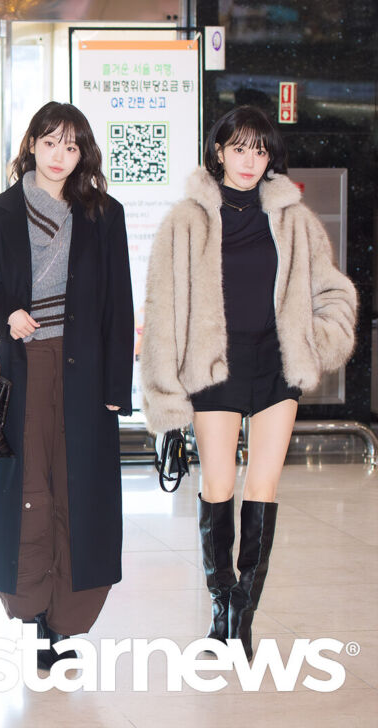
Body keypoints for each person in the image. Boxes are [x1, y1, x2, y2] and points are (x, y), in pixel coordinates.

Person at [141, 105, 357, 660]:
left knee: (264, 487)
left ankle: (244, 616)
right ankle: (221, 608)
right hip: (214, 367)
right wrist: (166, 395)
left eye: (259, 151)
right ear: (219, 151)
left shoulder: (294, 219)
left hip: (277, 367)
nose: (249, 160)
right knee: (217, 486)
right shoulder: (186, 221)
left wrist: (317, 339)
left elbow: (334, 292)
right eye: (239, 148)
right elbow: (163, 312)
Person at [0, 101, 134, 669]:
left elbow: (118, 304)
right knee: (28, 485)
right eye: (50, 143)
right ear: (31, 146)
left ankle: (66, 622)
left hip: (85, 370)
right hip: (24, 368)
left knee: (79, 489)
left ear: (83, 152)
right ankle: (35, 616)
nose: (60, 156)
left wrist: (117, 385)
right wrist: (6, 314)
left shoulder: (104, 215)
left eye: (71, 145)